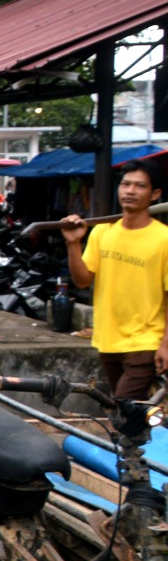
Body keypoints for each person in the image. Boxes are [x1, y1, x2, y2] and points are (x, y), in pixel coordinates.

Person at [62, 159, 168, 401]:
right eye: (126, 184)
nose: (130, 191)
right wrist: (73, 243)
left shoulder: (164, 239)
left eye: (140, 186)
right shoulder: (102, 232)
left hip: (145, 341)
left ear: (155, 194)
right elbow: (81, 280)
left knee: (123, 407)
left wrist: (165, 345)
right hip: (108, 339)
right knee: (128, 413)